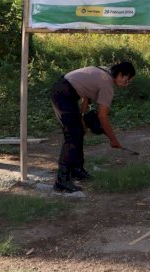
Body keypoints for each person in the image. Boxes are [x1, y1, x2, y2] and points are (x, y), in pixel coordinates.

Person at [50, 61, 136, 193]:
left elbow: (86, 96)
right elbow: (102, 116)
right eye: (127, 79)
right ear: (120, 75)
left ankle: (77, 170)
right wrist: (113, 140)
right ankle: (61, 181)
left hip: (63, 90)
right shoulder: (107, 84)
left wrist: (83, 117)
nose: (127, 83)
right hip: (63, 95)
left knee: (78, 131)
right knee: (73, 135)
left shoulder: (104, 71)